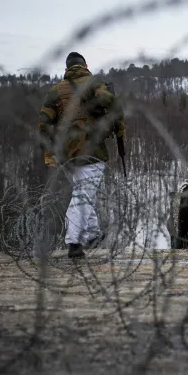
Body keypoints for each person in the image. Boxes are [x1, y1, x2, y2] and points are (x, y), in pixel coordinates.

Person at [37, 51, 126, 259]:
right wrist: (119, 134)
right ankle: (74, 242)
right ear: (85, 66)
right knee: (82, 196)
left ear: (67, 70)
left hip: (67, 156)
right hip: (92, 152)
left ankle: (94, 234)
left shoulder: (55, 91)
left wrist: (51, 152)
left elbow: (42, 125)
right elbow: (114, 106)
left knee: (84, 192)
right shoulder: (95, 84)